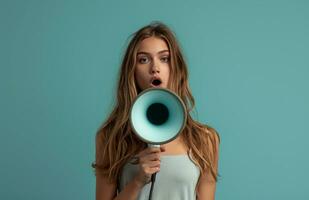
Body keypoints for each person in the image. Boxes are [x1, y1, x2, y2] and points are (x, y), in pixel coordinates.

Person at [92, 22, 220, 200]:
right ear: (132, 71)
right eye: (143, 59)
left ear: (175, 68)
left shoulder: (205, 139)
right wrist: (137, 181)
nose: (155, 68)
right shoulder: (110, 137)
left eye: (164, 58)